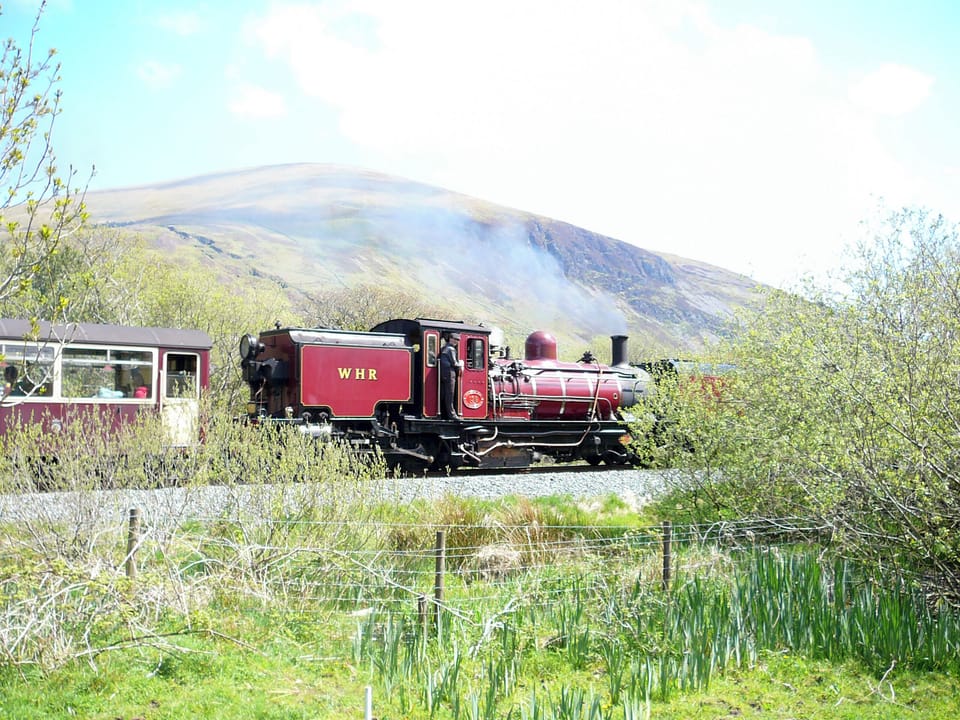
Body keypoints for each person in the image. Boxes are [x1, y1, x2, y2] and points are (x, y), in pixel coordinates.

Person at [439, 332, 463, 420]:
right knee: (450, 394)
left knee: (445, 394)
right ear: (451, 339)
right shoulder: (451, 349)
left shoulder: (444, 348)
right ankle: (452, 415)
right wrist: (461, 365)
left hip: (444, 373)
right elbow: (454, 363)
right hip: (450, 373)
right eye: (456, 339)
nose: (457, 342)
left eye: (458, 340)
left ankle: (444, 412)